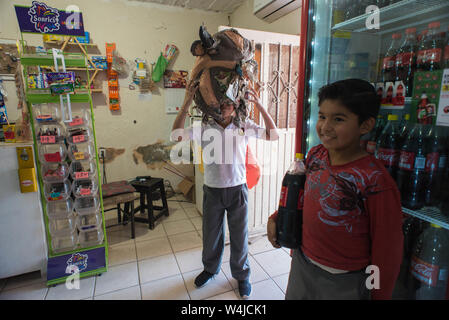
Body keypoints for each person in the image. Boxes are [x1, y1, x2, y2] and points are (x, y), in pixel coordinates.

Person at [267, 79, 403, 300]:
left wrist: (378, 294)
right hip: (303, 266)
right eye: (322, 116)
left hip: (347, 282)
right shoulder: (315, 155)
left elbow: (387, 251)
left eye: (338, 119)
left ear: (365, 126)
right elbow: (298, 200)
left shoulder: (376, 181)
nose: (325, 126)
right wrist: (277, 217)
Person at [171, 80, 279, 299]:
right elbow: (176, 136)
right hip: (212, 191)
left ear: (236, 103)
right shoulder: (203, 128)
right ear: (211, 105)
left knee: (239, 237)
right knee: (211, 235)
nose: (223, 105)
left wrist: (260, 105)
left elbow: (273, 135)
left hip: (238, 189)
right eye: (219, 102)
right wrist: (186, 103)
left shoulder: (243, 126)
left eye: (228, 101)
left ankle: (242, 275)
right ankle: (210, 269)